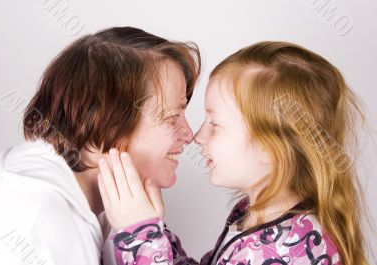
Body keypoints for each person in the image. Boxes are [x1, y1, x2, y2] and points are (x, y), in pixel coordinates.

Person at [97, 41, 370, 265]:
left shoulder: (284, 252)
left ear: (270, 148)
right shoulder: (260, 217)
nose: (197, 136)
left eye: (215, 124)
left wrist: (139, 237)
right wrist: (153, 231)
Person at [0, 26, 200, 265]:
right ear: (105, 125)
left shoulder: (103, 205)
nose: (189, 135)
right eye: (171, 118)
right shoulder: (33, 224)